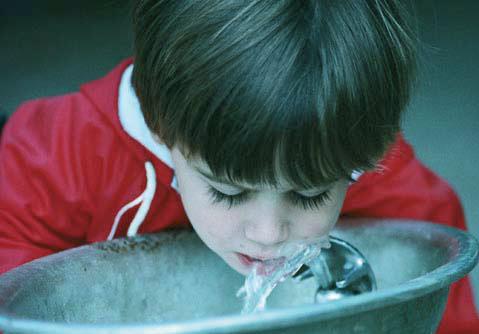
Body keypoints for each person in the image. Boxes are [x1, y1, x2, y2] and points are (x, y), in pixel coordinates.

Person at [0, 0, 477, 332]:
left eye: (310, 194)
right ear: (162, 128)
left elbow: (429, 251)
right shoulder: (59, 156)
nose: (269, 233)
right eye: (228, 192)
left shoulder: (337, 140)